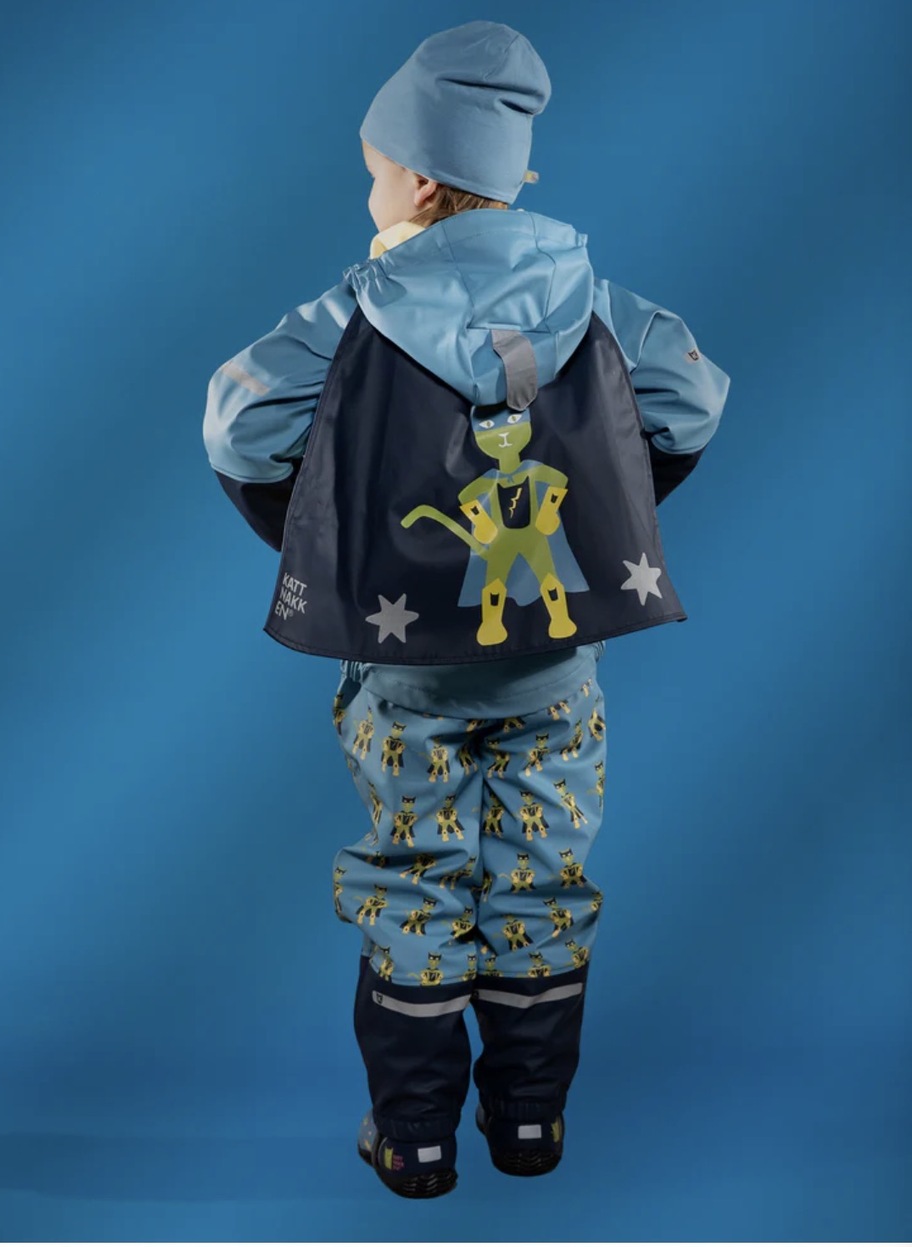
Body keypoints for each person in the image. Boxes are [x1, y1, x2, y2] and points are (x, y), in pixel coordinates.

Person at [202, 20, 730, 1199]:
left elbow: (237, 421)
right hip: (557, 665)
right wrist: (611, 505)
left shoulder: (355, 306)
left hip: (406, 678)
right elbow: (689, 401)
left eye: (374, 170)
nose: (369, 191)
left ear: (422, 181)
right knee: (541, 875)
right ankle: (530, 1121)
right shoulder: (593, 296)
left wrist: (322, 526)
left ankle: (415, 1139)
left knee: (414, 877)